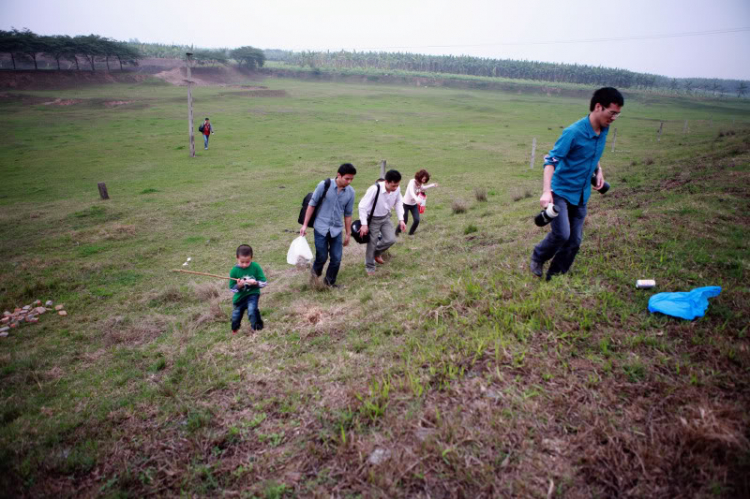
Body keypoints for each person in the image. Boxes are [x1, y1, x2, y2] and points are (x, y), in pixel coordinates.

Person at [530, 87, 623, 281]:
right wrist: (547, 192)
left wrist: (599, 171)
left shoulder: (604, 129)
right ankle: (538, 256)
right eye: (612, 113)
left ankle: (555, 276)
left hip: (581, 194)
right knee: (562, 234)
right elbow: (550, 161)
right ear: (598, 107)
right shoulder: (573, 132)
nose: (614, 118)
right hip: (561, 191)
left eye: (617, 114)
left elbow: (593, 154)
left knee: (575, 241)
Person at [300, 163, 357, 288]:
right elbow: (312, 204)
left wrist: (348, 233)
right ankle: (314, 279)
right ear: (339, 175)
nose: (349, 181)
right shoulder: (324, 185)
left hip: (336, 229)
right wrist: (304, 225)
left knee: (336, 258)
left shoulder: (351, 193)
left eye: (352, 179)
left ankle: (329, 282)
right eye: (347, 178)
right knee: (322, 256)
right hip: (321, 227)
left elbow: (348, 214)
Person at [358, 169, 406, 275]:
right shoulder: (375, 189)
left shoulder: (397, 189)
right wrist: (364, 224)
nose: (396, 188)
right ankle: (370, 266)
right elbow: (362, 206)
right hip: (373, 219)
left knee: (391, 239)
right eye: (393, 186)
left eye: (397, 185)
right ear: (386, 182)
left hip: (385, 217)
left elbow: (398, 203)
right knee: (372, 242)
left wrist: (401, 219)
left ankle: (376, 253)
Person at [230, 244, 267, 334]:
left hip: (253, 294)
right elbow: (232, 289)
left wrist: (255, 283)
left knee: (252, 311)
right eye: (242, 262)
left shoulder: (256, 267)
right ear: (237, 258)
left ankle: (257, 328)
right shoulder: (234, 271)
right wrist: (239, 285)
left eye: (248, 262)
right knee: (236, 316)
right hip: (239, 298)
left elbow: (264, 283)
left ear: (251, 258)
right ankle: (235, 329)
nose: (245, 264)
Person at [397, 169, 438, 236]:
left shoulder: (420, 184)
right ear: (420, 176)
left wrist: (433, 185)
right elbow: (411, 192)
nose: (424, 181)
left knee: (417, 220)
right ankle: (396, 233)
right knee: (404, 220)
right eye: (424, 179)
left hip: (414, 205)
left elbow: (423, 188)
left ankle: (410, 234)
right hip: (405, 204)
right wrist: (416, 199)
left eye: (425, 179)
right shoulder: (412, 182)